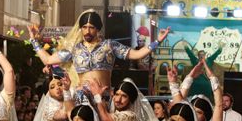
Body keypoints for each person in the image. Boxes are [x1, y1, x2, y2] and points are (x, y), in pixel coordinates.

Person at [29, 11, 170, 90]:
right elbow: (48, 60)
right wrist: (34, 40)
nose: (87, 31)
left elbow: (137, 54)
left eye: (91, 27)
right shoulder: (74, 49)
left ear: (98, 29)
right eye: (84, 27)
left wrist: (157, 41)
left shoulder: (109, 46)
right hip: (80, 97)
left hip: (104, 97)